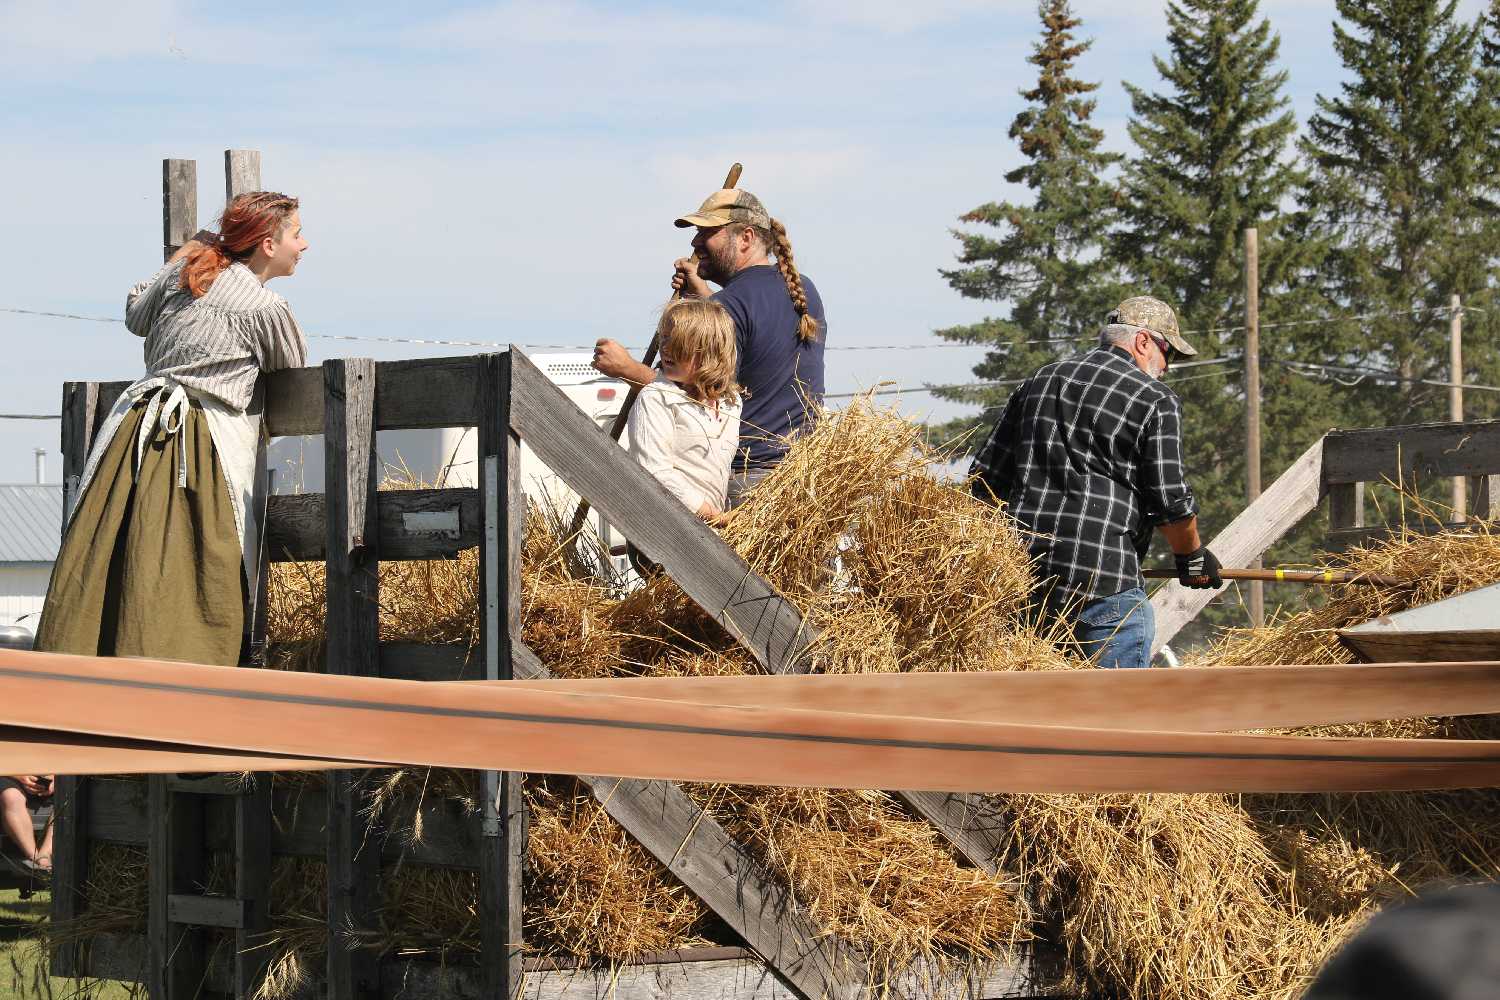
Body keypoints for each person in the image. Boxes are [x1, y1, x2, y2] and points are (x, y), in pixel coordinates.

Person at [35, 192, 309, 667]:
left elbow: (135, 315)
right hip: (199, 444)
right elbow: (292, 368)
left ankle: (81, 666)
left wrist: (190, 250)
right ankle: (179, 678)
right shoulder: (264, 307)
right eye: (297, 234)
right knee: (193, 557)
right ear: (268, 243)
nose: (304, 245)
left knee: (110, 548)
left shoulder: (187, 280)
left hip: (130, 433)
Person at [970, 296, 1222, 668]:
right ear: (1143, 342)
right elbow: (1169, 501)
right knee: (1119, 719)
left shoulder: (1040, 381)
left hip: (1023, 587)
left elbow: (984, 482)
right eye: (1168, 352)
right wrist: (1192, 555)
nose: (1167, 366)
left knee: (1036, 718)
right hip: (1102, 586)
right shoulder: (1155, 399)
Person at [594, 187, 826, 507]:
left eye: (708, 233)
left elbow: (694, 401)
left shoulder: (728, 305)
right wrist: (703, 295)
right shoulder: (801, 287)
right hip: (803, 475)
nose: (695, 243)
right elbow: (749, 331)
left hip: (749, 477)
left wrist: (626, 369)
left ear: (745, 237)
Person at [624, 300, 743, 576]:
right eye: (664, 338)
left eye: (677, 341)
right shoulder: (656, 399)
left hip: (706, 536)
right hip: (664, 533)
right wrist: (710, 514)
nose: (666, 348)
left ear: (708, 350)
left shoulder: (731, 402)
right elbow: (655, 472)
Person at [0, 774, 52, 874]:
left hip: (51, 781)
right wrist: (19, 776)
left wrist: (57, 779)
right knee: (11, 796)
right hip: (9, 777)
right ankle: (34, 857)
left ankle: (45, 856)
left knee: (68, 798)